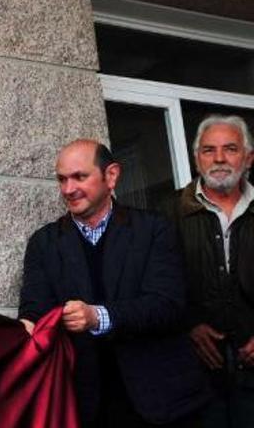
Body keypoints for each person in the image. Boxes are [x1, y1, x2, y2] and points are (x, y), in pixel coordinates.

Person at [18, 139, 208, 427]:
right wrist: (28, 326)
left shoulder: (154, 229)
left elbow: (168, 305)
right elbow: (35, 309)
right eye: (62, 179)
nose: (68, 189)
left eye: (79, 177)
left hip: (161, 401)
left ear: (111, 176)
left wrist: (98, 316)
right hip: (86, 405)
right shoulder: (43, 243)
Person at [168, 115, 254, 427]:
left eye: (230, 148)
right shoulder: (168, 212)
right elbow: (159, 284)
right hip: (195, 376)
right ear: (196, 159)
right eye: (208, 150)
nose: (219, 158)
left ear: (248, 157)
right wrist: (189, 325)